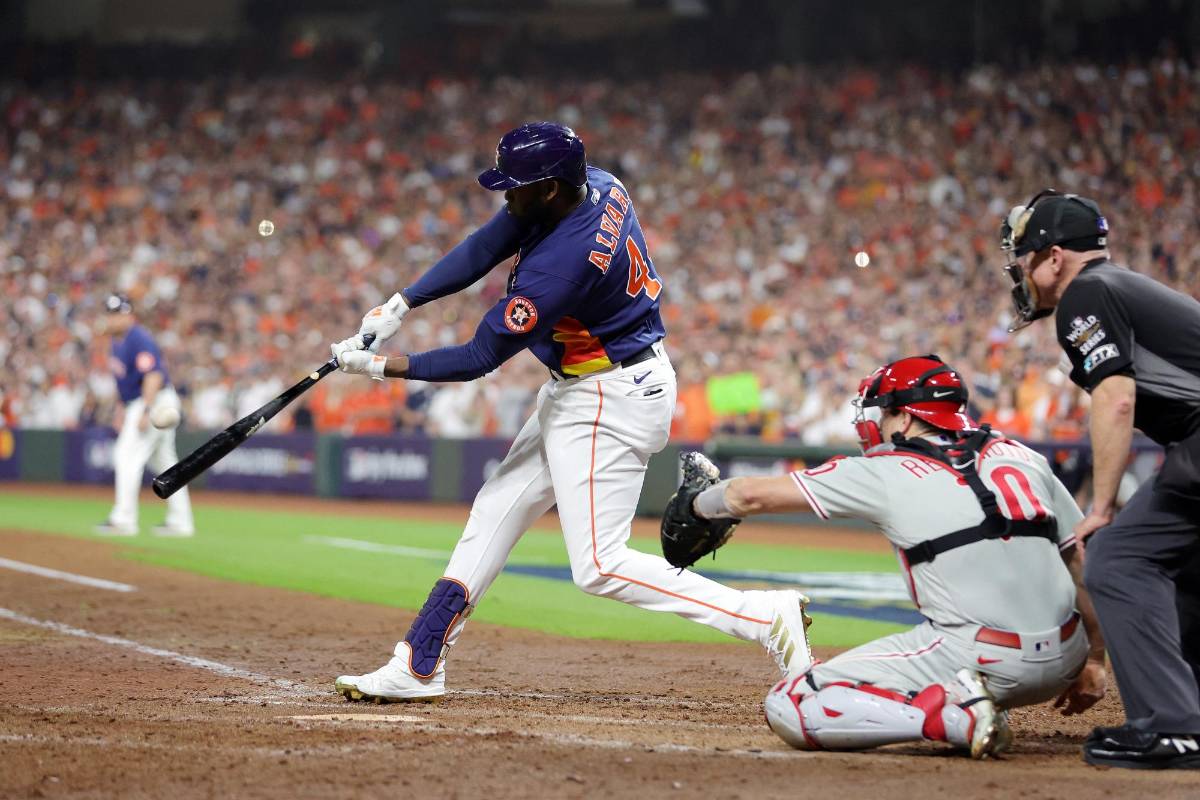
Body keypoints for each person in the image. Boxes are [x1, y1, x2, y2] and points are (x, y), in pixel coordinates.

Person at [328, 122, 812, 702]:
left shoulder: (561, 266)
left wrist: (376, 367)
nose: (508, 196)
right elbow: (487, 244)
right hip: (593, 384)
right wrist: (403, 303)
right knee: (496, 508)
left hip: (609, 397)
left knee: (600, 566)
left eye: (517, 186)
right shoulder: (597, 183)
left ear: (550, 188)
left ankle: (763, 617)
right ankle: (419, 662)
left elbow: (478, 358)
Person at [666, 355, 1106, 759]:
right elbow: (1081, 566)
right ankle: (970, 698)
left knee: (791, 701)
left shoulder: (884, 469)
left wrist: (698, 504)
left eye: (883, 412)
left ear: (906, 416)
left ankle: (957, 717)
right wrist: (1094, 660)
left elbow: (748, 495)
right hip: (1066, 659)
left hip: (980, 658)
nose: (875, 422)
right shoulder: (1024, 456)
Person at [1000, 190, 1200, 769]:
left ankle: (1173, 727)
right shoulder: (1123, 285)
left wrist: (1102, 507)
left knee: (1116, 558)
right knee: (1186, 571)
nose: (1021, 271)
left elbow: (1116, 398)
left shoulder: (1086, 294)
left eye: (1025, 258)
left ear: (1055, 256)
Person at [95, 294, 194, 537]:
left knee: (126, 456)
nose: (112, 318)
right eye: (110, 313)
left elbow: (153, 375)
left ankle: (124, 519)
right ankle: (181, 521)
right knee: (165, 464)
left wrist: (146, 410)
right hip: (142, 402)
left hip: (154, 400)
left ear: (128, 315)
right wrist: (121, 409)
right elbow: (124, 382)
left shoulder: (138, 337)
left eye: (117, 313)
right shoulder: (117, 341)